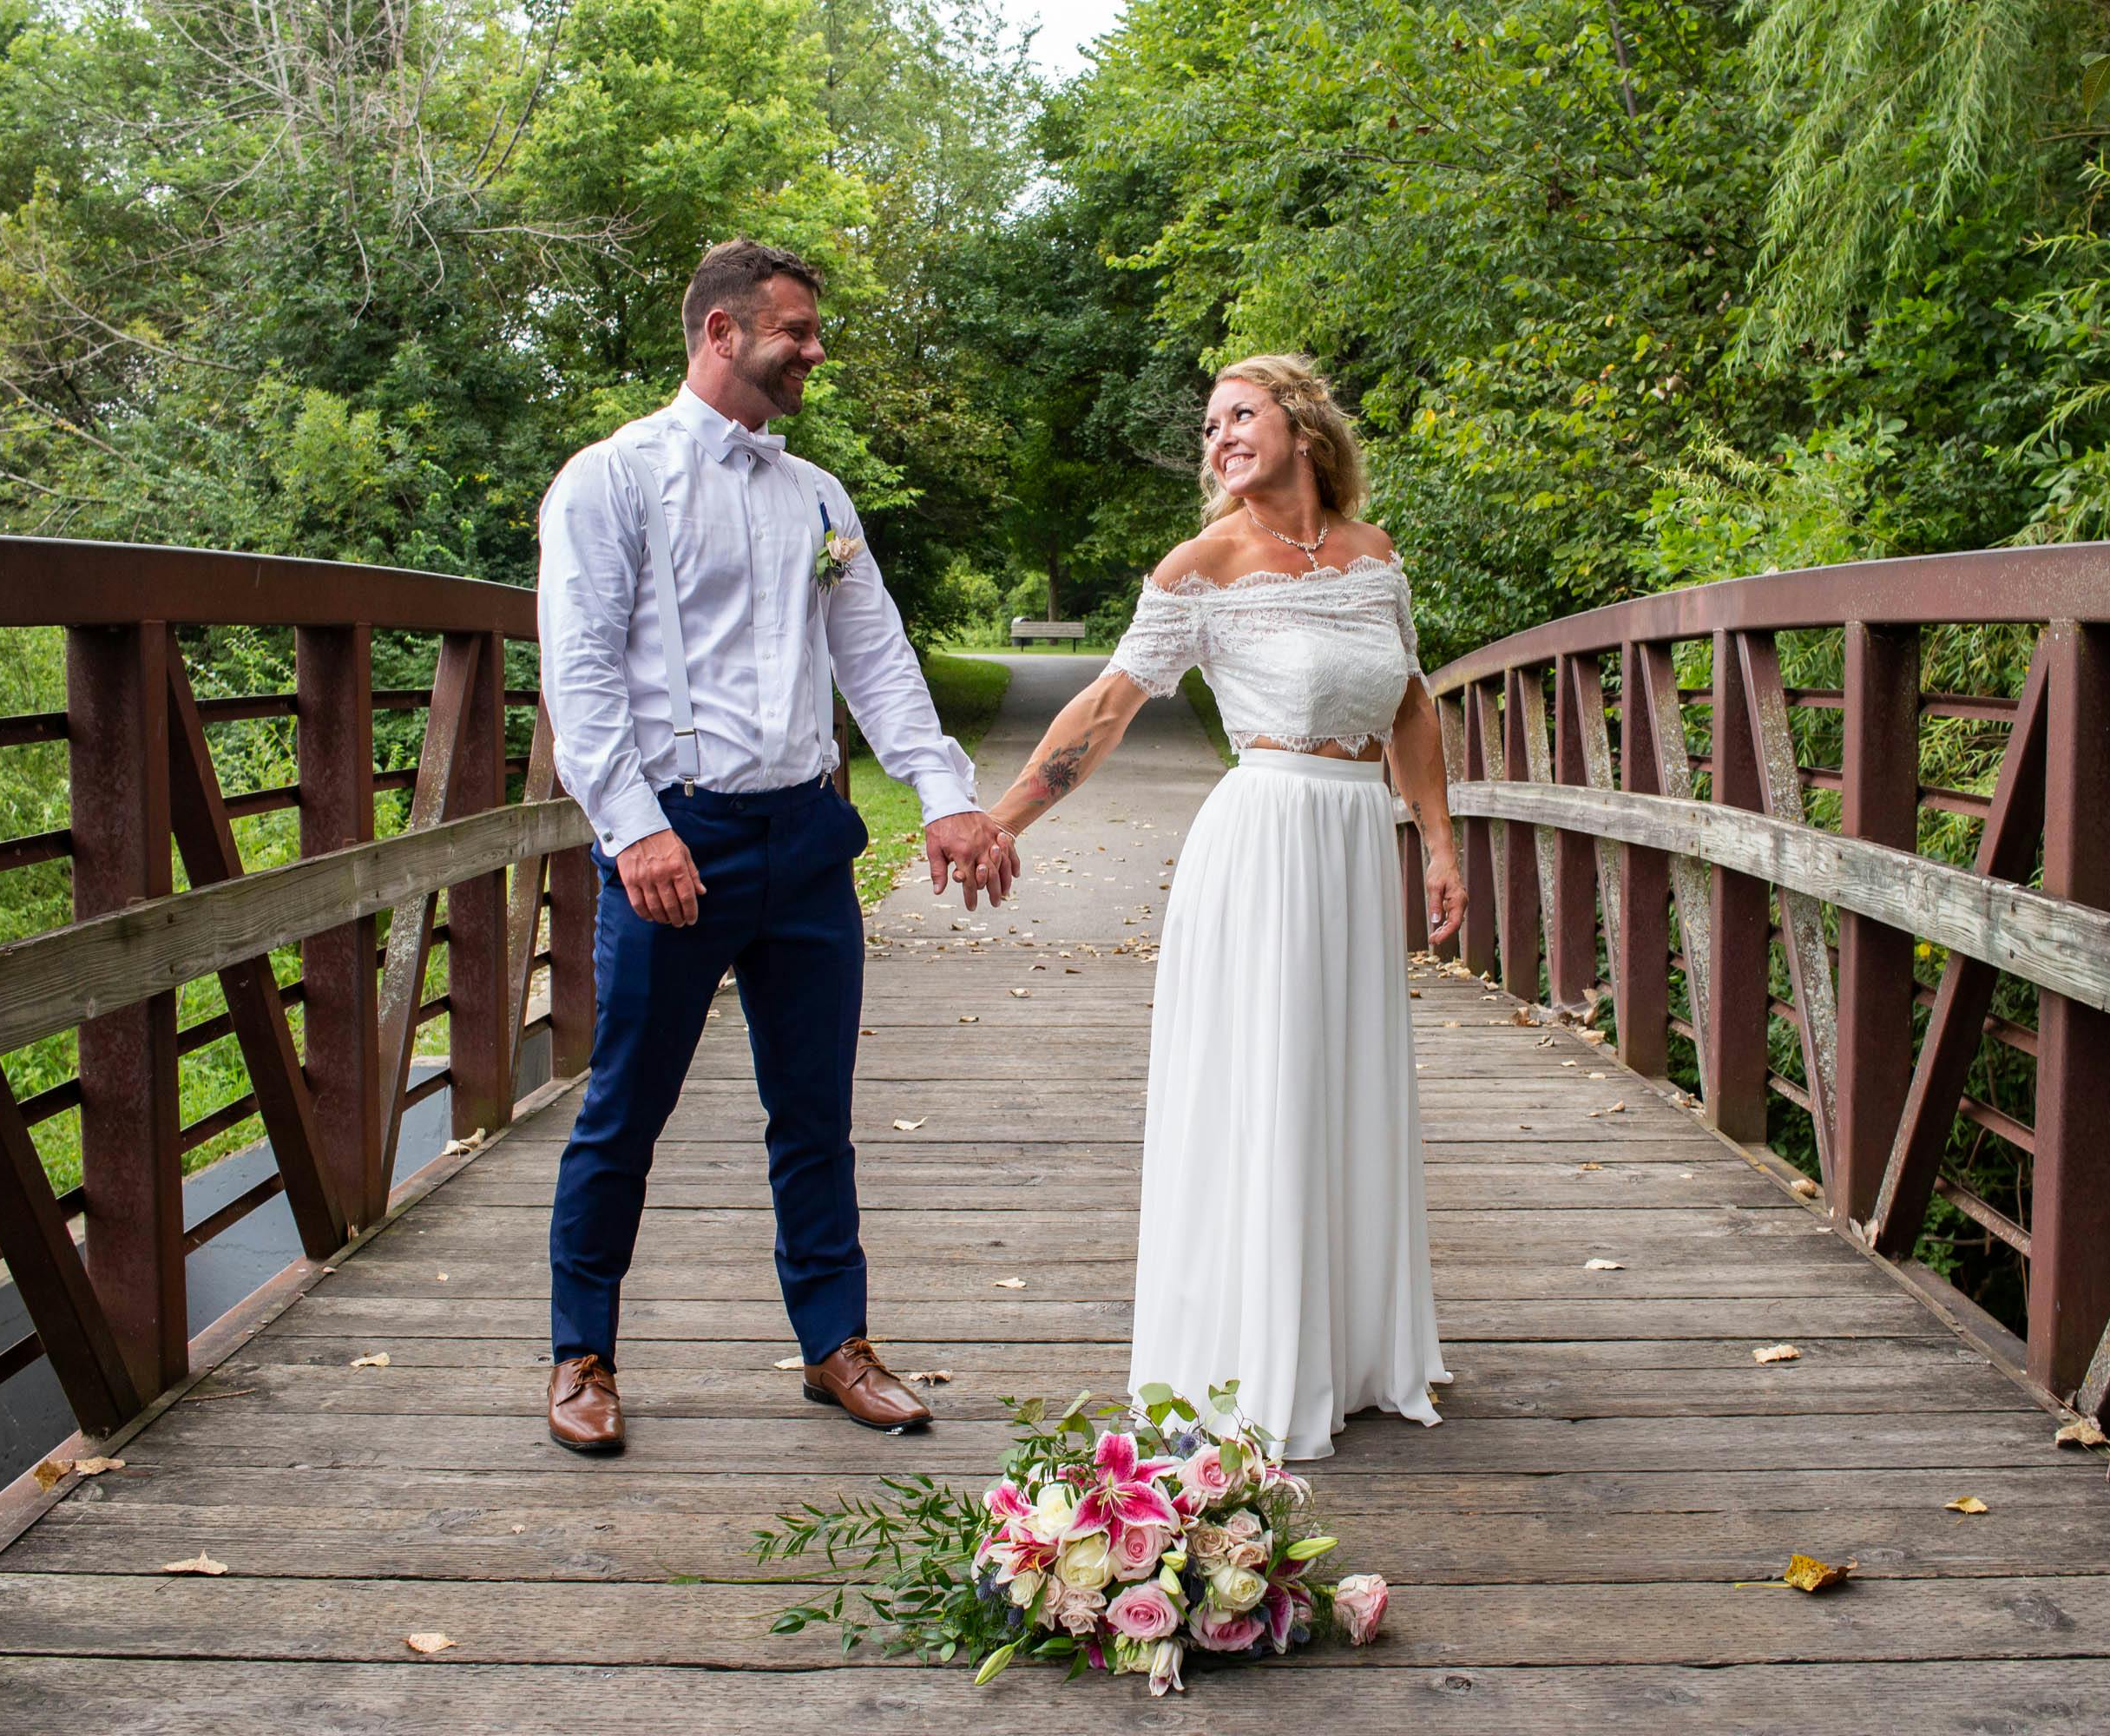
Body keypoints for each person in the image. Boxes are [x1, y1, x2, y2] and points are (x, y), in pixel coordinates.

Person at [534, 239, 1020, 1452]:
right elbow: (580, 674)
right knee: (622, 1111)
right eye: (794, 331)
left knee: (814, 1110)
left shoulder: (818, 497)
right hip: (676, 842)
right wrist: (633, 828)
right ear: (721, 334)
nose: (814, 351)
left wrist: (947, 793)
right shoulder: (611, 481)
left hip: (807, 838)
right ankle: (581, 1353)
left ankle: (835, 1344)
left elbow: (878, 660)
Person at [983, 353, 1463, 1459]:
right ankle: (1252, 1352)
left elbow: (1411, 706)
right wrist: (1002, 820)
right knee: (1270, 1083)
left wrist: (1437, 841)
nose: (1218, 437)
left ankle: (1348, 1350)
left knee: (1344, 1083)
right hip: (1265, 843)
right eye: (1209, 425)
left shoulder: (1375, 560)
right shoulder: (1202, 567)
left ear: (1302, 422)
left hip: (1354, 843)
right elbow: (1107, 704)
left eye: (1238, 414)